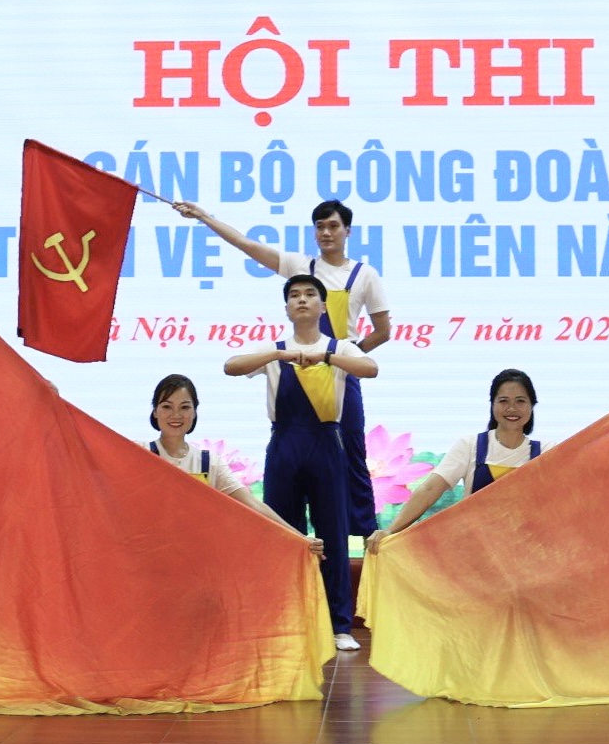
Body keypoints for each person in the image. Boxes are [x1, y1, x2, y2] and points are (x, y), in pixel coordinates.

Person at [177, 199, 390, 539]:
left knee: (353, 453)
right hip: (296, 368)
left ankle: (366, 538)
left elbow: (383, 331)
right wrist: (203, 216)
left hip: (338, 371)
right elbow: (245, 244)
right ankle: (291, 540)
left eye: (333, 226)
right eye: (320, 227)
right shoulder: (301, 266)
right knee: (290, 456)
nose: (326, 233)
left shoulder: (365, 274)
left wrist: (342, 354)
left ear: (347, 231)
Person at [224, 275, 378, 651]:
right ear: (287, 308)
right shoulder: (275, 350)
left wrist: (326, 358)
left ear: (323, 306)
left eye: (310, 294)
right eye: (295, 295)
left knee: (333, 535)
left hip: (327, 445)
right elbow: (231, 366)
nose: (302, 300)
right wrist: (278, 356)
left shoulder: (339, 347)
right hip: (285, 446)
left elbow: (370, 368)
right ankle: (285, 622)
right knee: (284, 537)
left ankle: (339, 626)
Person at [146, 374, 323, 556]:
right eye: (167, 406)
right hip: (149, 556)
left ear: (195, 412)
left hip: (196, 557)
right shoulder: (141, 453)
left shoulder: (209, 463)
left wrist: (300, 537)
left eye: (184, 407)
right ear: (155, 411)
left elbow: (252, 504)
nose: (175, 415)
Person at [368, 369, 541, 546]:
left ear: (532, 405)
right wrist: (390, 530)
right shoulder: (470, 445)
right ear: (492, 404)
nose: (512, 408)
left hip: (530, 549)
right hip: (477, 548)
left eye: (520, 401)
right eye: (503, 401)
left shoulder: (546, 452)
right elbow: (429, 489)